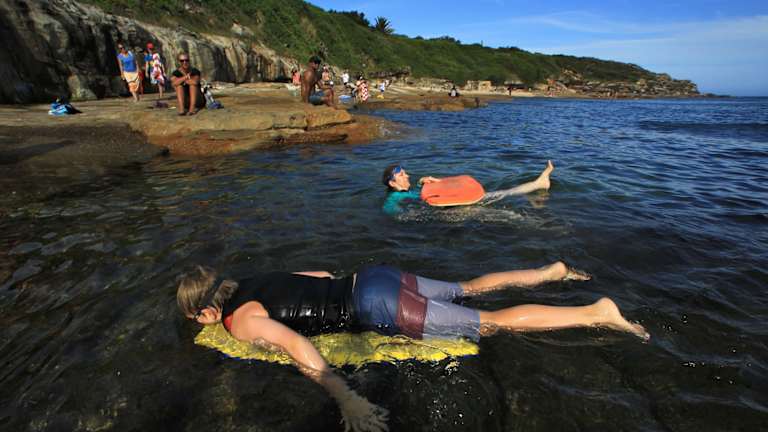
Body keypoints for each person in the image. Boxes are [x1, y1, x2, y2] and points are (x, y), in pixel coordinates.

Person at [177, 264, 647, 432]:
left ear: (206, 313)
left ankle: (596, 313)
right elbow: (320, 275)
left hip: (376, 302)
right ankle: (550, 272)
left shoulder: (240, 322)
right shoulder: (254, 281)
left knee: (493, 324)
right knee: (467, 288)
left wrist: (347, 397)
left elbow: (295, 343)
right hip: (374, 277)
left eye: (195, 318)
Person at [382, 161, 556, 215]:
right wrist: (412, 214)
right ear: (392, 183)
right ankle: (542, 226)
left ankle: (539, 183)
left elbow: (424, 193)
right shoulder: (393, 200)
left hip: (453, 205)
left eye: (406, 173)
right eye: (402, 175)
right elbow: (396, 214)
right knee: (500, 214)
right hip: (445, 214)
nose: (407, 175)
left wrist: (427, 182)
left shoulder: (409, 191)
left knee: (499, 194)